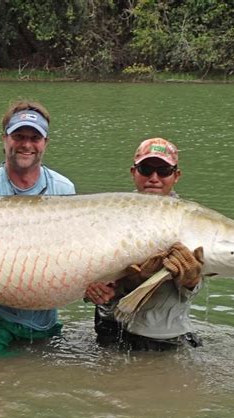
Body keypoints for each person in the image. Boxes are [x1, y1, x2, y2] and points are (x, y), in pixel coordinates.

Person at [0, 99, 76, 354]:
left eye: (35, 137)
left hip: (43, 318)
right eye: (19, 136)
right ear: (5, 140)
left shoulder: (64, 190)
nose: (26, 144)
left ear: (45, 143)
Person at [85, 138, 204, 351]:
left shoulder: (191, 221)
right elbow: (84, 274)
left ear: (176, 176)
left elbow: (202, 278)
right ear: (134, 172)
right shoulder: (109, 216)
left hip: (163, 333)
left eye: (164, 170)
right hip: (111, 326)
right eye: (146, 169)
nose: (154, 178)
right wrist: (92, 289)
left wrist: (191, 280)